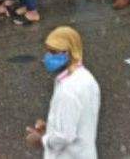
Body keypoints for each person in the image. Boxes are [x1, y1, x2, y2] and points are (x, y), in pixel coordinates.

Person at [24, 26, 101, 157]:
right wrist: (50, 127)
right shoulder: (87, 78)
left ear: (69, 52)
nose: (47, 57)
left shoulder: (68, 90)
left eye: (54, 52)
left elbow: (64, 136)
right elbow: (77, 120)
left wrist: (41, 140)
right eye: (48, 51)